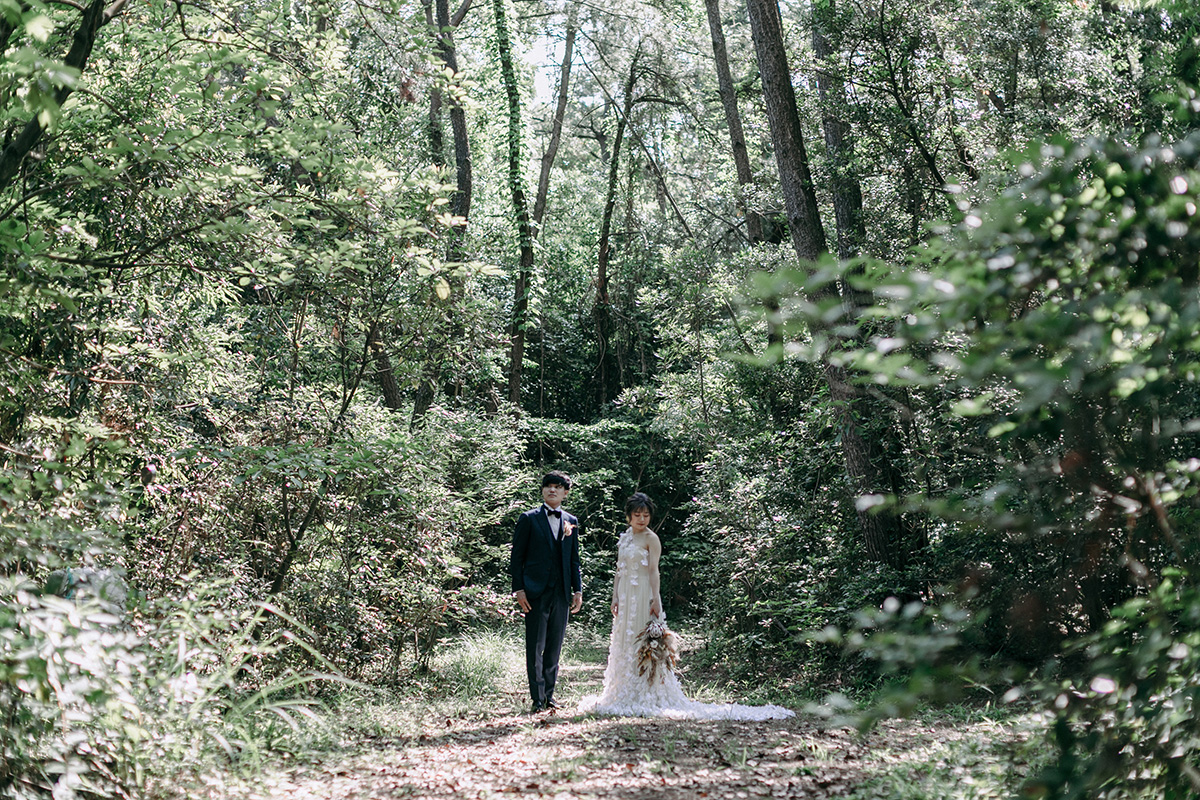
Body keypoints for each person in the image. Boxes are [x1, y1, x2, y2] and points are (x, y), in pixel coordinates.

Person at [579, 493, 794, 720]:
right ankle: (622, 689)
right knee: (625, 638)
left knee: (644, 638)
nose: (642, 519)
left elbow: (653, 571)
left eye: (646, 515)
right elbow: (619, 569)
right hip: (625, 593)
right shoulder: (625, 538)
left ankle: (648, 689)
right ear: (628, 516)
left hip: (643, 593)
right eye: (637, 515)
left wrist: (655, 598)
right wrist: (615, 596)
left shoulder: (651, 538)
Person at [510, 470, 583, 712]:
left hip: (561, 592)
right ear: (542, 490)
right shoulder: (528, 518)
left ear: (565, 493)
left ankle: (550, 695)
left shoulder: (570, 521)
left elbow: (574, 560)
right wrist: (519, 589)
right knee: (535, 645)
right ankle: (537, 699)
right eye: (548, 486)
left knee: (554, 646)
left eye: (557, 487)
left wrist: (578, 591)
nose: (552, 490)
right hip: (534, 592)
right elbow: (516, 557)